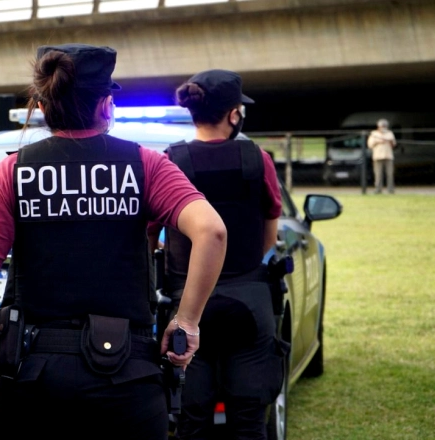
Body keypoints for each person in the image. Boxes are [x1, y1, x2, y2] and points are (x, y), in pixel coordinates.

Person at [0, 43, 227, 440]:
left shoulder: (12, 172)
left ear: (44, 107)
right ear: (104, 107)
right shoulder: (145, 164)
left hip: (35, 382)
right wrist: (186, 322)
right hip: (129, 382)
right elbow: (212, 231)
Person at [154, 69, 287, 440]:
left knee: (191, 419)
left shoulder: (170, 160)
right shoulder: (258, 159)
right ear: (233, 114)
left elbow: (154, 232)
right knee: (249, 419)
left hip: (188, 302)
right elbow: (268, 236)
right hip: (250, 300)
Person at [367, 118, 397, 194]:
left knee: (390, 174)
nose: (383, 127)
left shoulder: (390, 133)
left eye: (385, 126)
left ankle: (390, 189)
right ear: (378, 126)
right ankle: (378, 189)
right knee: (378, 174)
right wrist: (379, 141)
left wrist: (389, 141)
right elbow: (370, 145)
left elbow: (394, 144)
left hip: (388, 156)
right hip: (378, 157)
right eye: (382, 126)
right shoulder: (374, 134)